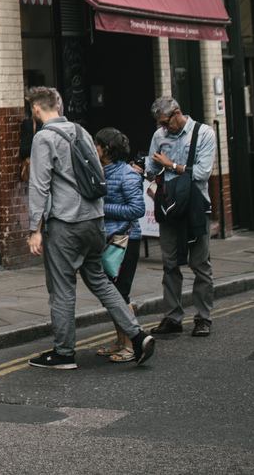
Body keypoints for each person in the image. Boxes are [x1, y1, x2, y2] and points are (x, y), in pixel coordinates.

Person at [25, 86, 155, 369]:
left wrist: (34, 228)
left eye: (31, 109)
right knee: (100, 281)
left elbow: (39, 185)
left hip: (66, 224)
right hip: (95, 222)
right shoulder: (82, 132)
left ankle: (63, 353)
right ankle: (137, 335)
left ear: (36, 108)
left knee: (62, 288)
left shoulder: (44, 137)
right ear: (58, 105)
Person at [144, 96, 216, 338]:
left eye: (166, 122)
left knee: (200, 264)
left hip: (195, 206)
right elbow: (152, 168)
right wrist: (146, 168)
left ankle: (203, 318)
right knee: (170, 264)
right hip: (169, 206)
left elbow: (203, 173)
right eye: (160, 124)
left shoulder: (203, 133)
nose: (163, 128)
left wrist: (171, 165)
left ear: (177, 113)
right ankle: (173, 317)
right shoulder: (159, 136)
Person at [94, 127, 144, 363]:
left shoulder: (128, 175)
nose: (94, 148)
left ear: (106, 149)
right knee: (113, 294)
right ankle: (120, 340)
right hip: (108, 240)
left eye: (97, 144)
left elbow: (137, 209)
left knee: (121, 294)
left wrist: (102, 209)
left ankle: (131, 346)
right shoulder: (101, 172)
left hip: (126, 241)